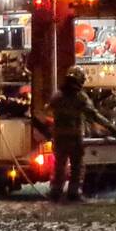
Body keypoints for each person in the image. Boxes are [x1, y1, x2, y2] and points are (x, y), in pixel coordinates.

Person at [47, 65, 109, 202]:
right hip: (74, 139)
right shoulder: (80, 97)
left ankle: (55, 191)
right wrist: (109, 127)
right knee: (77, 166)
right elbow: (93, 114)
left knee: (59, 165)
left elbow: (47, 110)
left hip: (59, 139)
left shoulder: (57, 96)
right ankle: (74, 193)